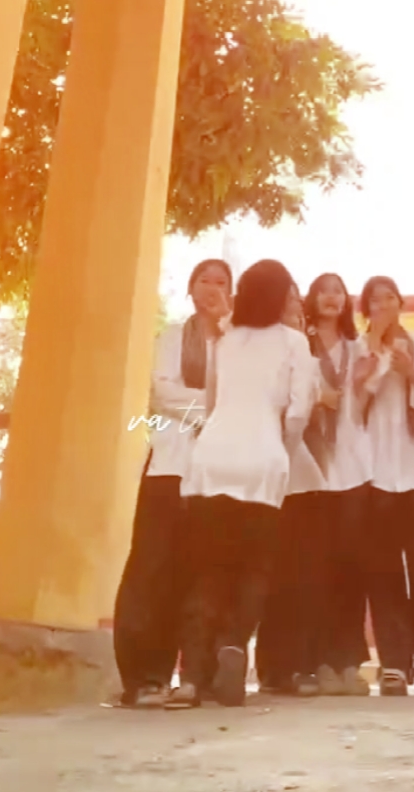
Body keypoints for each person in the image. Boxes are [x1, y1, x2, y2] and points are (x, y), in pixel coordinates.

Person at [180, 260, 317, 708]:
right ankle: (234, 646)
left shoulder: (224, 340)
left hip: (212, 459)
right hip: (262, 460)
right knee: (254, 568)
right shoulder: (294, 342)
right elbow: (299, 411)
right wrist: (281, 446)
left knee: (208, 570)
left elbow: (211, 404)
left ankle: (193, 676)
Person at [113, 259, 232, 709]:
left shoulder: (237, 344)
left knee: (200, 575)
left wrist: (211, 405)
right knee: (152, 571)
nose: (212, 288)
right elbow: (161, 394)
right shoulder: (171, 339)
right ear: (190, 288)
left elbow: (243, 396)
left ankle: (196, 677)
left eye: (221, 282)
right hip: (168, 466)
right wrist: (213, 409)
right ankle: (144, 676)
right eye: (204, 280)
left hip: (215, 474)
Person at [355, 276, 414, 696]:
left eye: (389, 298)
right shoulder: (358, 351)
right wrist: (376, 363)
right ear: (366, 309)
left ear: (401, 303)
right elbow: (353, 410)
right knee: (384, 571)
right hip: (375, 474)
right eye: (374, 301)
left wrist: (412, 374)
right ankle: (393, 662)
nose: (382, 306)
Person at [255, 286, 327, 697]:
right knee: (269, 576)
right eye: (286, 301)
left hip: (300, 478)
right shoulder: (253, 350)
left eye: (297, 302)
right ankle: (272, 667)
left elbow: (308, 406)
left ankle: (295, 665)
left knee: (300, 577)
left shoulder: (305, 354)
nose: (294, 309)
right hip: (266, 474)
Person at [303, 273, 372, 697]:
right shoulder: (299, 344)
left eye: (338, 291)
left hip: (353, 467)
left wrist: (362, 385)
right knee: (316, 569)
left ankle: (349, 661)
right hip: (311, 468)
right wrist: (315, 397)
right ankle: (319, 662)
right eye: (323, 290)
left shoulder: (357, 348)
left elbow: (369, 407)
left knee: (351, 567)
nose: (331, 297)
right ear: (311, 299)